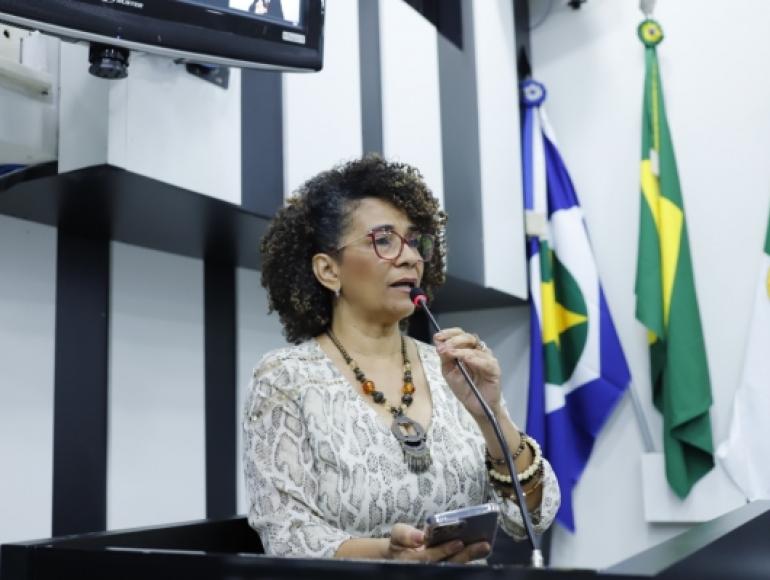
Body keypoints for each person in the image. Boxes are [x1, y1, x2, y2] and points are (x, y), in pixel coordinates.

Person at [243, 155, 560, 562]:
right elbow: (287, 535)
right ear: (328, 270)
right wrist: (388, 557)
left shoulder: (454, 369)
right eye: (384, 240)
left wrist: (491, 413)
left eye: (416, 242)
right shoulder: (284, 379)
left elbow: (531, 517)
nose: (410, 257)